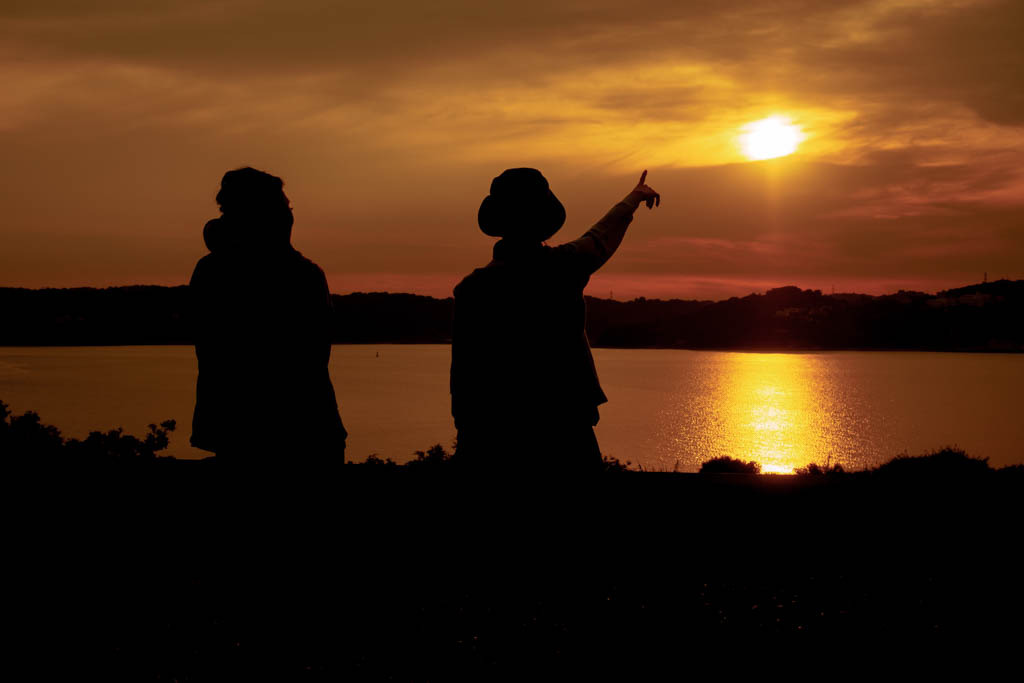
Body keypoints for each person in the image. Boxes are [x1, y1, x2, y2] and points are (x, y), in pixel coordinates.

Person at [450, 168, 660, 474]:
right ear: (543, 224)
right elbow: (599, 239)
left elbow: (463, 377)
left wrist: (468, 441)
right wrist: (634, 198)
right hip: (566, 430)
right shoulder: (562, 268)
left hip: (493, 438)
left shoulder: (473, 290)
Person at [189, 167, 347, 467]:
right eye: (284, 207)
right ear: (263, 214)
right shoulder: (300, 275)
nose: (290, 215)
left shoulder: (212, 270)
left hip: (237, 430)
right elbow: (311, 357)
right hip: (300, 431)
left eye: (288, 208)